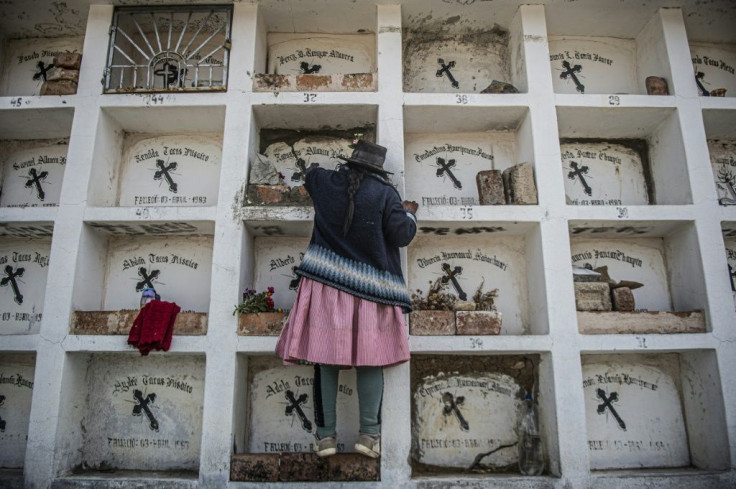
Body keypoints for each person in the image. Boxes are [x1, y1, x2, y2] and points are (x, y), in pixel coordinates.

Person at [275, 140, 418, 459]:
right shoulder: (385, 194)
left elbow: (310, 173)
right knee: (371, 361)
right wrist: (410, 214)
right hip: (371, 292)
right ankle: (368, 437)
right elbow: (402, 236)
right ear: (378, 171)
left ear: (350, 163)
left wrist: (316, 170)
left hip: (326, 286)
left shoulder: (325, 182)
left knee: (325, 361)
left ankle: (325, 439)